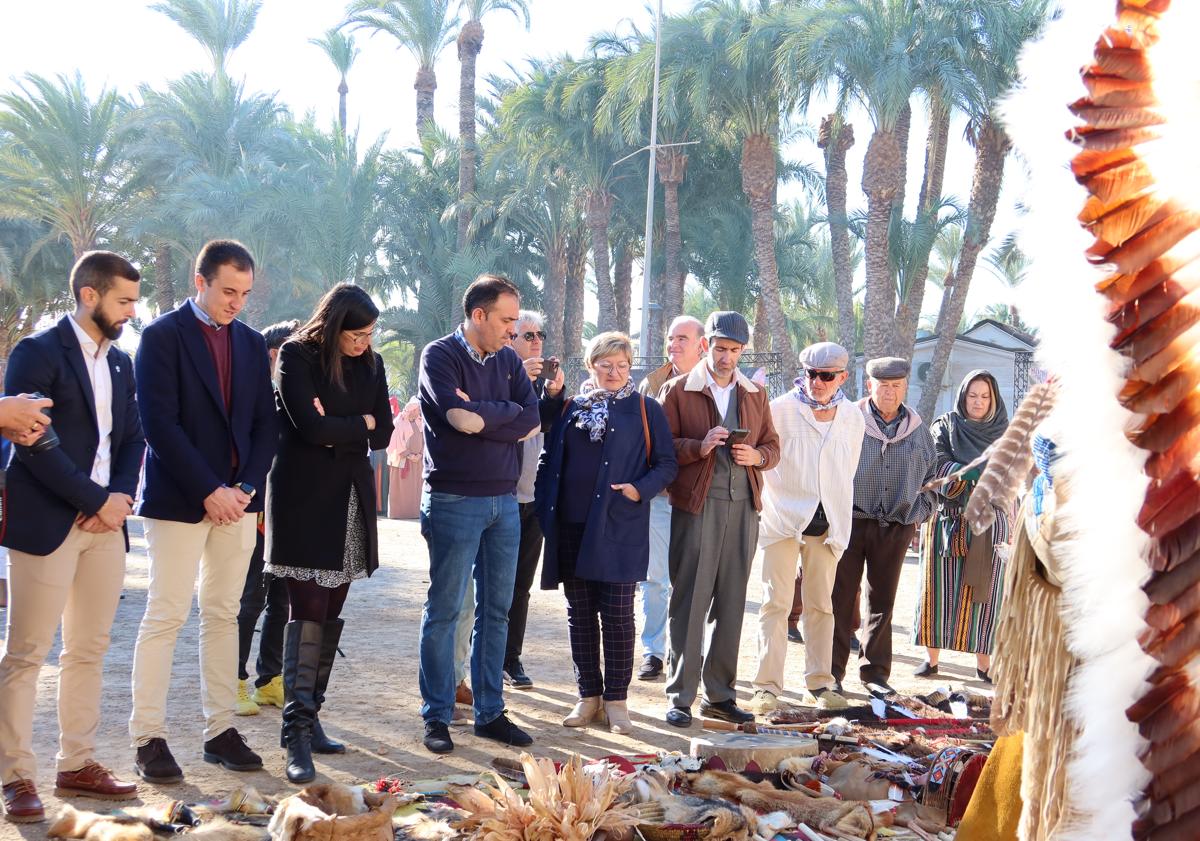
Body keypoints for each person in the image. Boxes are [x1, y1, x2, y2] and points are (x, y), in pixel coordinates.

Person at [0, 251, 144, 823]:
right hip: (48, 522)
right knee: (28, 653)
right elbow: (32, 442)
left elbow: (134, 438)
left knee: (88, 649)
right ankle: (15, 777)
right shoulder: (36, 353)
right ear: (90, 295)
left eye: (135, 300)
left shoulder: (122, 364)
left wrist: (120, 501)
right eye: (124, 300)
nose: (133, 311)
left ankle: (77, 762)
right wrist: (94, 501)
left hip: (107, 527)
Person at [129, 240, 278, 783]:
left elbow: (266, 423)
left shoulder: (250, 341)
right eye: (227, 291)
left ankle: (221, 730)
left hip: (238, 504)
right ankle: (148, 737)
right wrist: (209, 489)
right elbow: (158, 423)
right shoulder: (161, 336)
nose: (236, 302)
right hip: (178, 501)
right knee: (165, 614)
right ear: (201, 281)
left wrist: (242, 488)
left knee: (223, 614)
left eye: (244, 293)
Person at [265, 284, 393, 783]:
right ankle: (294, 733)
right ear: (335, 324)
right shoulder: (296, 354)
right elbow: (309, 430)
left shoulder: (373, 363)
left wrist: (338, 422)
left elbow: (381, 429)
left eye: (368, 335)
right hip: (304, 498)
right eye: (356, 334)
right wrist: (352, 424)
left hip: (351, 497)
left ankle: (310, 716)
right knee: (307, 610)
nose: (364, 343)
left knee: (333, 610)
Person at [416, 274, 541, 755]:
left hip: (504, 502)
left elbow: (529, 420)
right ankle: (438, 716)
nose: (515, 331)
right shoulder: (438, 356)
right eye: (508, 321)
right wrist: (504, 414)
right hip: (453, 500)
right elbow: (455, 417)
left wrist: (485, 416)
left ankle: (491, 713)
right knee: (446, 610)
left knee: (496, 611)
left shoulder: (509, 359)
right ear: (479, 315)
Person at [536, 332, 677, 733]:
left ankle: (617, 700)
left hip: (619, 526)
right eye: (605, 365)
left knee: (616, 615)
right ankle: (588, 697)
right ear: (591, 366)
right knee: (579, 615)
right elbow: (549, 455)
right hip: (571, 526)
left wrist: (638, 490)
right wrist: (548, 506)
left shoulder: (646, 409)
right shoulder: (570, 409)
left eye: (621, 365)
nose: (614, 373)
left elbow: (666, 464)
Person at [660, 311, 780, 727]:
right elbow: (661, 449)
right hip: (696, 505)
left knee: (731, 604)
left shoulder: (755, 395)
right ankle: (680, 696)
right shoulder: (677, 390)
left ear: (742, 351)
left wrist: (758, 457)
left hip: (744, 505)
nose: (726, 356)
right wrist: (699, 446)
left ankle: (720, 696)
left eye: (734, 349)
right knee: (690, 601)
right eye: (719, 348)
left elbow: (773, 446)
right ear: (705, 345)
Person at [750, 342, 864, 713]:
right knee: (776, 604)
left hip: (828, 524)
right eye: (811, 374)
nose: (817, 382)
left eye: (826, 376)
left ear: (842, 377)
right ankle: (766, 687)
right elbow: (764, 457)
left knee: (821, 605)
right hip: (783, 518)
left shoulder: (852, 417)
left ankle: (820, 683)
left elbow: (847, 471)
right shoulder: (780, 409)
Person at [831, 357, 936, 698]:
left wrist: (919, 513)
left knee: (883, 602)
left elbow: (932, 480)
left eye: (896, 386)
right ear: (868, 385)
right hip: (850, 520)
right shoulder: (848, 420)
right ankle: (831, 673)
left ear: (905, 387)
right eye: (883, 385)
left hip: (895, 525)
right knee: (840, 598)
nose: (889, 392)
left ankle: (875, 672)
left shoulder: (918, 430)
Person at [913, 370, 1010, 682]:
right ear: (963, 396)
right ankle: (931, 660)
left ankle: (985, 664)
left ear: (993, 399)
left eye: (984, 396)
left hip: (989, 524)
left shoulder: (1006, 432)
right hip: (947, 522)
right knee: (937, 592)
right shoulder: (945, 425)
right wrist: (968, 473)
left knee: (985, 595)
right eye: (972, 395)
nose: (978, 402)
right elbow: (934, 464)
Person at [635, 315, 707, 681]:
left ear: (702, 345)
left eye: (682, 338)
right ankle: (653, 651)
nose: (673, 345)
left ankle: (691, 652)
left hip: (699, 498)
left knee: (695, 581)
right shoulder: (651, 385)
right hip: (660, 496)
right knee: (655, 578)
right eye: (670, 338)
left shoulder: (716, 387)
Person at [235, 319, 299, 717]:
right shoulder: (252, 397)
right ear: (275, 356)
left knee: (283, 598)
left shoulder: (296, 396)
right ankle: (234, 681)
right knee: (249, 599)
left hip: (288, 514)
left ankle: (269, 680)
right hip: (254, 511)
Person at [504, 311, 565, 690]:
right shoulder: (499, 378)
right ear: (509, 339)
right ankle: (487, 661)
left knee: (520, 587)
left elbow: (548, 426)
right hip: (500, 500)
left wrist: (555, 395)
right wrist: (519, 381)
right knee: (493, 588)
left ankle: (511, 658)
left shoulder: (543, 387)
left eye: (540, 333)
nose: (536, 341)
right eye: (527, 334)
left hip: (532, 501)